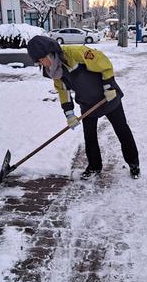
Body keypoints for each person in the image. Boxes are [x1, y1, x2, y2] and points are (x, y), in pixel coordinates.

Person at [26, 35, 140, 180]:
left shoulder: (76, 53)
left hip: (108, 97)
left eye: (41, 59)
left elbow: (103, 63)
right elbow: (63, 91)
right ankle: (94, 167)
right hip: (87, 103)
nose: (42, 63)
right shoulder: (53, 71)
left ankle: (133, 164)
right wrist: (69, 114)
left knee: (121, 129)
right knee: (89, 137)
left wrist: (109, 86)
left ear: (49, 53)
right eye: (39, 62)